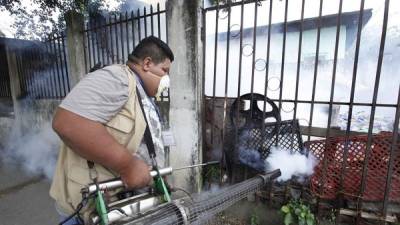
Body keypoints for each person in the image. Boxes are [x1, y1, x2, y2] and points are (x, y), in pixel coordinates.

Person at [50, 36, 174, 224]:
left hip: (118, 208)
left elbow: (141, 145)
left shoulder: (142, 95)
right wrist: (128, 166)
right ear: (147, 63)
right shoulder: (118, 78)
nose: (166, 79)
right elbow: (67, 123)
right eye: (164, 71)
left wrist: (155, 177)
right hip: (86, 212)